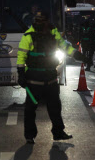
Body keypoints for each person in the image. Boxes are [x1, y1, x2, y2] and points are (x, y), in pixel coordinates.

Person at [17, 11, 89, 144]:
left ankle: (58, 132)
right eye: (37, 20)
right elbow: (21, 56)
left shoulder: (53, 33)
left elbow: (65, 46)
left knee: (55, 106)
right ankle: (29, 135)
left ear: (47, 21)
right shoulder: (28, 36)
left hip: (50, 77)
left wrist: (77, 55)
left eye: (42, 21)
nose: (39, 23)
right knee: (30, 109)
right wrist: (21, 74)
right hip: (34, 78)